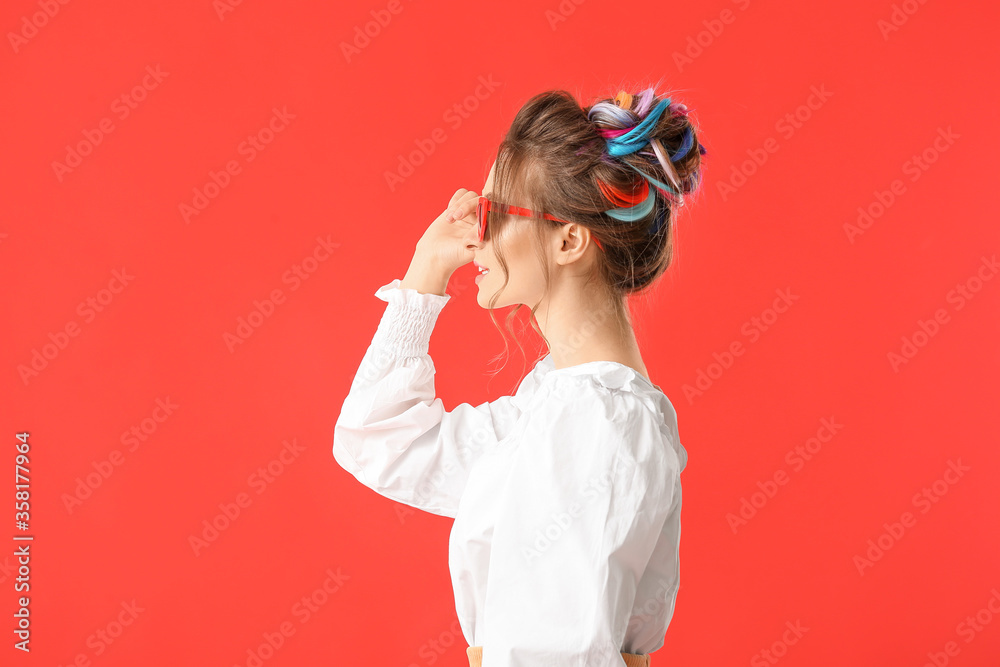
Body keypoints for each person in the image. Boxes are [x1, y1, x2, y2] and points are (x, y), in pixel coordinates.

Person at [333, 85, 705, 667]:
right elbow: (382, 440)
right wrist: (425, 271)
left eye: (493, 213)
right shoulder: (562, 404)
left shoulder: (595, 420)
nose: (473, 232)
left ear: (568, 240)